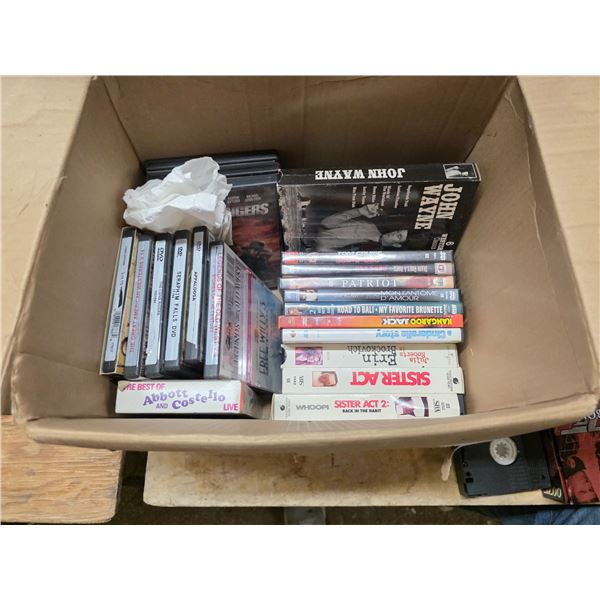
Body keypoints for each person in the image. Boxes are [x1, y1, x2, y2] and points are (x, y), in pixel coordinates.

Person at [315, 204, 408, 251]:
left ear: (397, 245)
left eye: (399, 236)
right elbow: (327, 223)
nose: (394, 233)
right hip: (313, 241)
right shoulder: (368, 226)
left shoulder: (379, 258)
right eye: (398, 231)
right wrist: (359, 211)